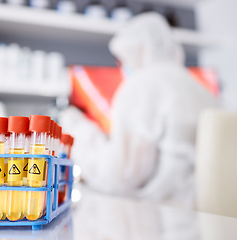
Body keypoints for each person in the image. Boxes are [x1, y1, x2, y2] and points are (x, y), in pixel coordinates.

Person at [60, 12, 218, 208]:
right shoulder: (200, 88)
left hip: (162, 218)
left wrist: (81, 133)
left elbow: (123, 176)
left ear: (139, 49)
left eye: (123, 60)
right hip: (204, 216)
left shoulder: (141, 85)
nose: (123, 66)